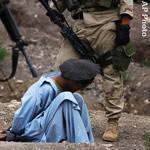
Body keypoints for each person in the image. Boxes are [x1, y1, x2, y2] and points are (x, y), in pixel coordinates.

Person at [54, 0, 134, 142]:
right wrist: (54, 10)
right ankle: (57, 115)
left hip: (106, 22)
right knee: (62, 69)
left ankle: (112, 123)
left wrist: (124, 24)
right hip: (79, 24)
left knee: (111, 71)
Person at [0, 59, 100, 143]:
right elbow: (20, 120)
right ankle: (82, 144)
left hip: (47, 126)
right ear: (73, 81)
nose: (80, 89)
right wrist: (13, 133)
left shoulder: (61, 82)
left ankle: (88, 143)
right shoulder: (42, 90)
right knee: (67, 97)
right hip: (32, 133)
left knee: (78, 98)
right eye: (80, 87)